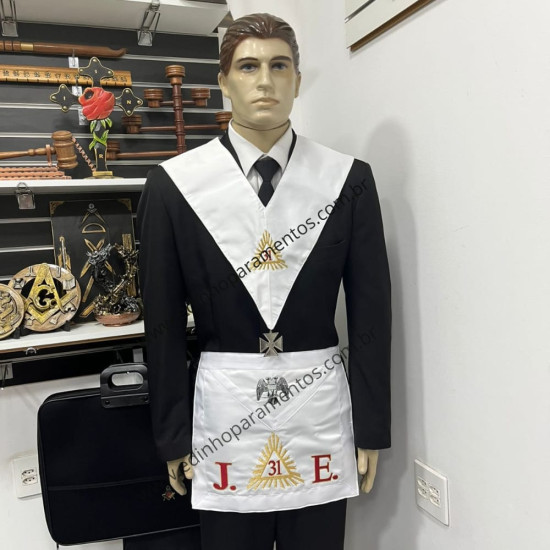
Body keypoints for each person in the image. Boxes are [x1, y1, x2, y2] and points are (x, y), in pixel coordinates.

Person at [137, 13, 391, 550]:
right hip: (222, 416)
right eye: (248, 66)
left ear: (297, 80)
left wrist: (370, 427)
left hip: (318, 412)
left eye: (279, 66)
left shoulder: (348, 180)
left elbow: (372, 312)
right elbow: (161, 324)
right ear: (223, 81)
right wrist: (172, 435)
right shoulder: (173, 186)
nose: (265, 81)